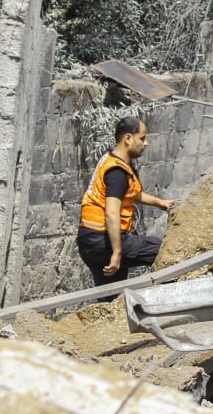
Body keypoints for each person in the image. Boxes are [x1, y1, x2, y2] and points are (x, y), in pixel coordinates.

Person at [75, 117, 174, 287]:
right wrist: (117, 252)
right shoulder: (117, 172)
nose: (146, 143)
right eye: (142, 138)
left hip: (88, 240)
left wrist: (160, 203)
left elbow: (131, 193)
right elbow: (112, 214)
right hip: (103, 240)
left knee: (111, 297)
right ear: (128, 139)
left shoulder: (110, 159)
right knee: (164, 248)